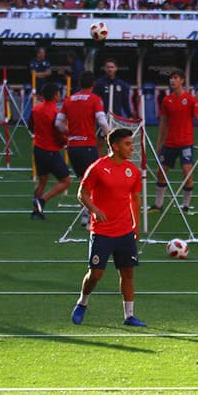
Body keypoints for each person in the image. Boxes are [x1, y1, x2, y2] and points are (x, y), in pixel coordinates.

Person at [71, 127, 145, 327]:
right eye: (127, 144)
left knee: (127, 272)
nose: (132, 148)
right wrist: (94, 209)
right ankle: (82, 302)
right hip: (102, 231)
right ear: (115, 146)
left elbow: (134, 199)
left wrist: (136, 224)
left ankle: (129, 315)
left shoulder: (133, 171)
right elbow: (82, 194)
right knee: (96, 274)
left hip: (124, 231)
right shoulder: (97, 168)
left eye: (132, 143)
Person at [155, 69, 198, 212]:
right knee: (161, 172)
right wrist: (159, 143)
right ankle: (158, 205)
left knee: (187, 172)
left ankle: (186, 206)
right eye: (171, 78)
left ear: (182, 80)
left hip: (185, 143)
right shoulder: (167, 100)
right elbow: (164, 123)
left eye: (175, 78)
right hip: (170, 143)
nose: (172, 81)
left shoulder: (190, 99)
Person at [58, 71, 111, 186]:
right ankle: (89, 203)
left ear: (79, 83)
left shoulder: (69, 100)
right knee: (94, 179)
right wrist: (109, 135)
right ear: (94, 84)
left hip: (72, 146)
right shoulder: (95, 99)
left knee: (84, 179)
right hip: (87, 145)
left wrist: (68, 132)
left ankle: (85, 204)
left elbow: (58, 123)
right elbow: (102, 121)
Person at [28, 82, 71, 220]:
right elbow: (58, 132)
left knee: (42, 180)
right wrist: (66, 140)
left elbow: (30, 125)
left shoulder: (36, 109)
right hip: (51, 150)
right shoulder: (55, 112)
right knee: (65, 181)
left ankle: (36, 212)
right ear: (55, 95)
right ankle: (42, 200)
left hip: (38, 148)